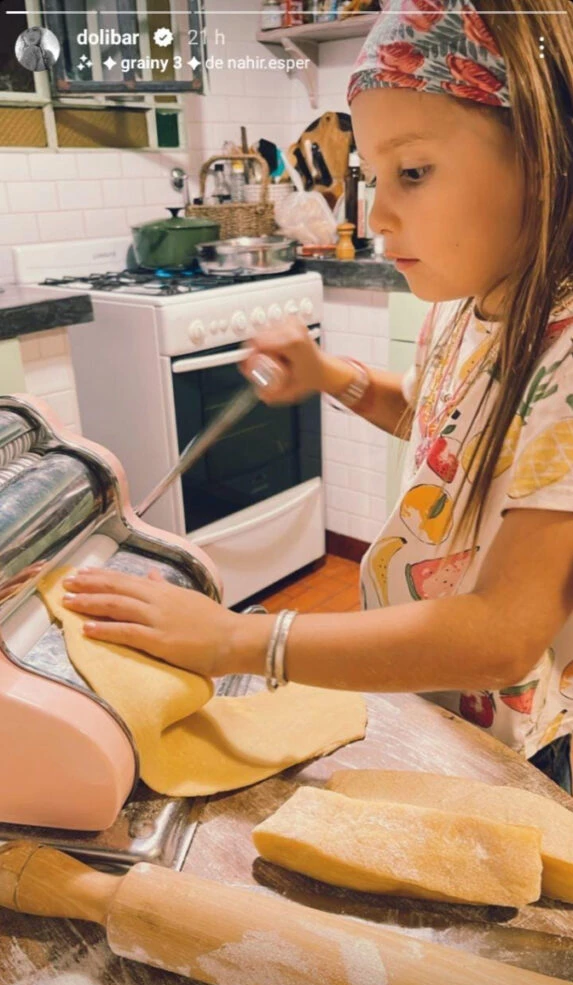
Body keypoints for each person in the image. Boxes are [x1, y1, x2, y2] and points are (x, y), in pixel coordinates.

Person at [62, 0, 573, 793]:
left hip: (520, 746)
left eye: (412, 171)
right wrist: (333, 377)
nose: (377, 216)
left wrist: (239, 642)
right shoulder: (471, 303)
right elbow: (451, 425)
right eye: (371, 177)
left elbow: (502, 633)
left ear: (545, 160)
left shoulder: (566, 351)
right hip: (429, 700)